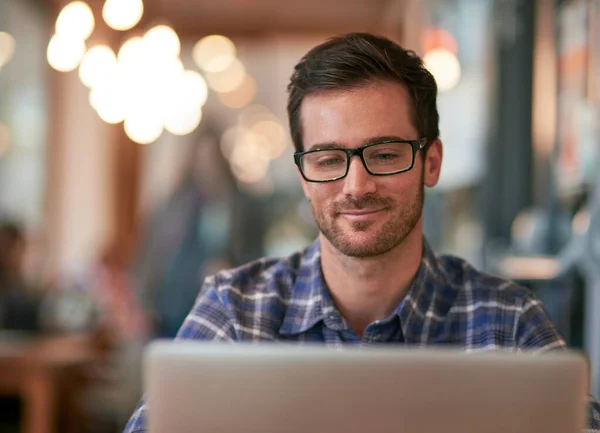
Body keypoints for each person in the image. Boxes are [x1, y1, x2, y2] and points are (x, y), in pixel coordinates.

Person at [124, 33, 600, 432]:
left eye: (386, 154)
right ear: (304, 177)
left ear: (430, 162)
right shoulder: (235, 311)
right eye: (329, 159)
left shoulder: (509, 324)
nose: (356, 187)